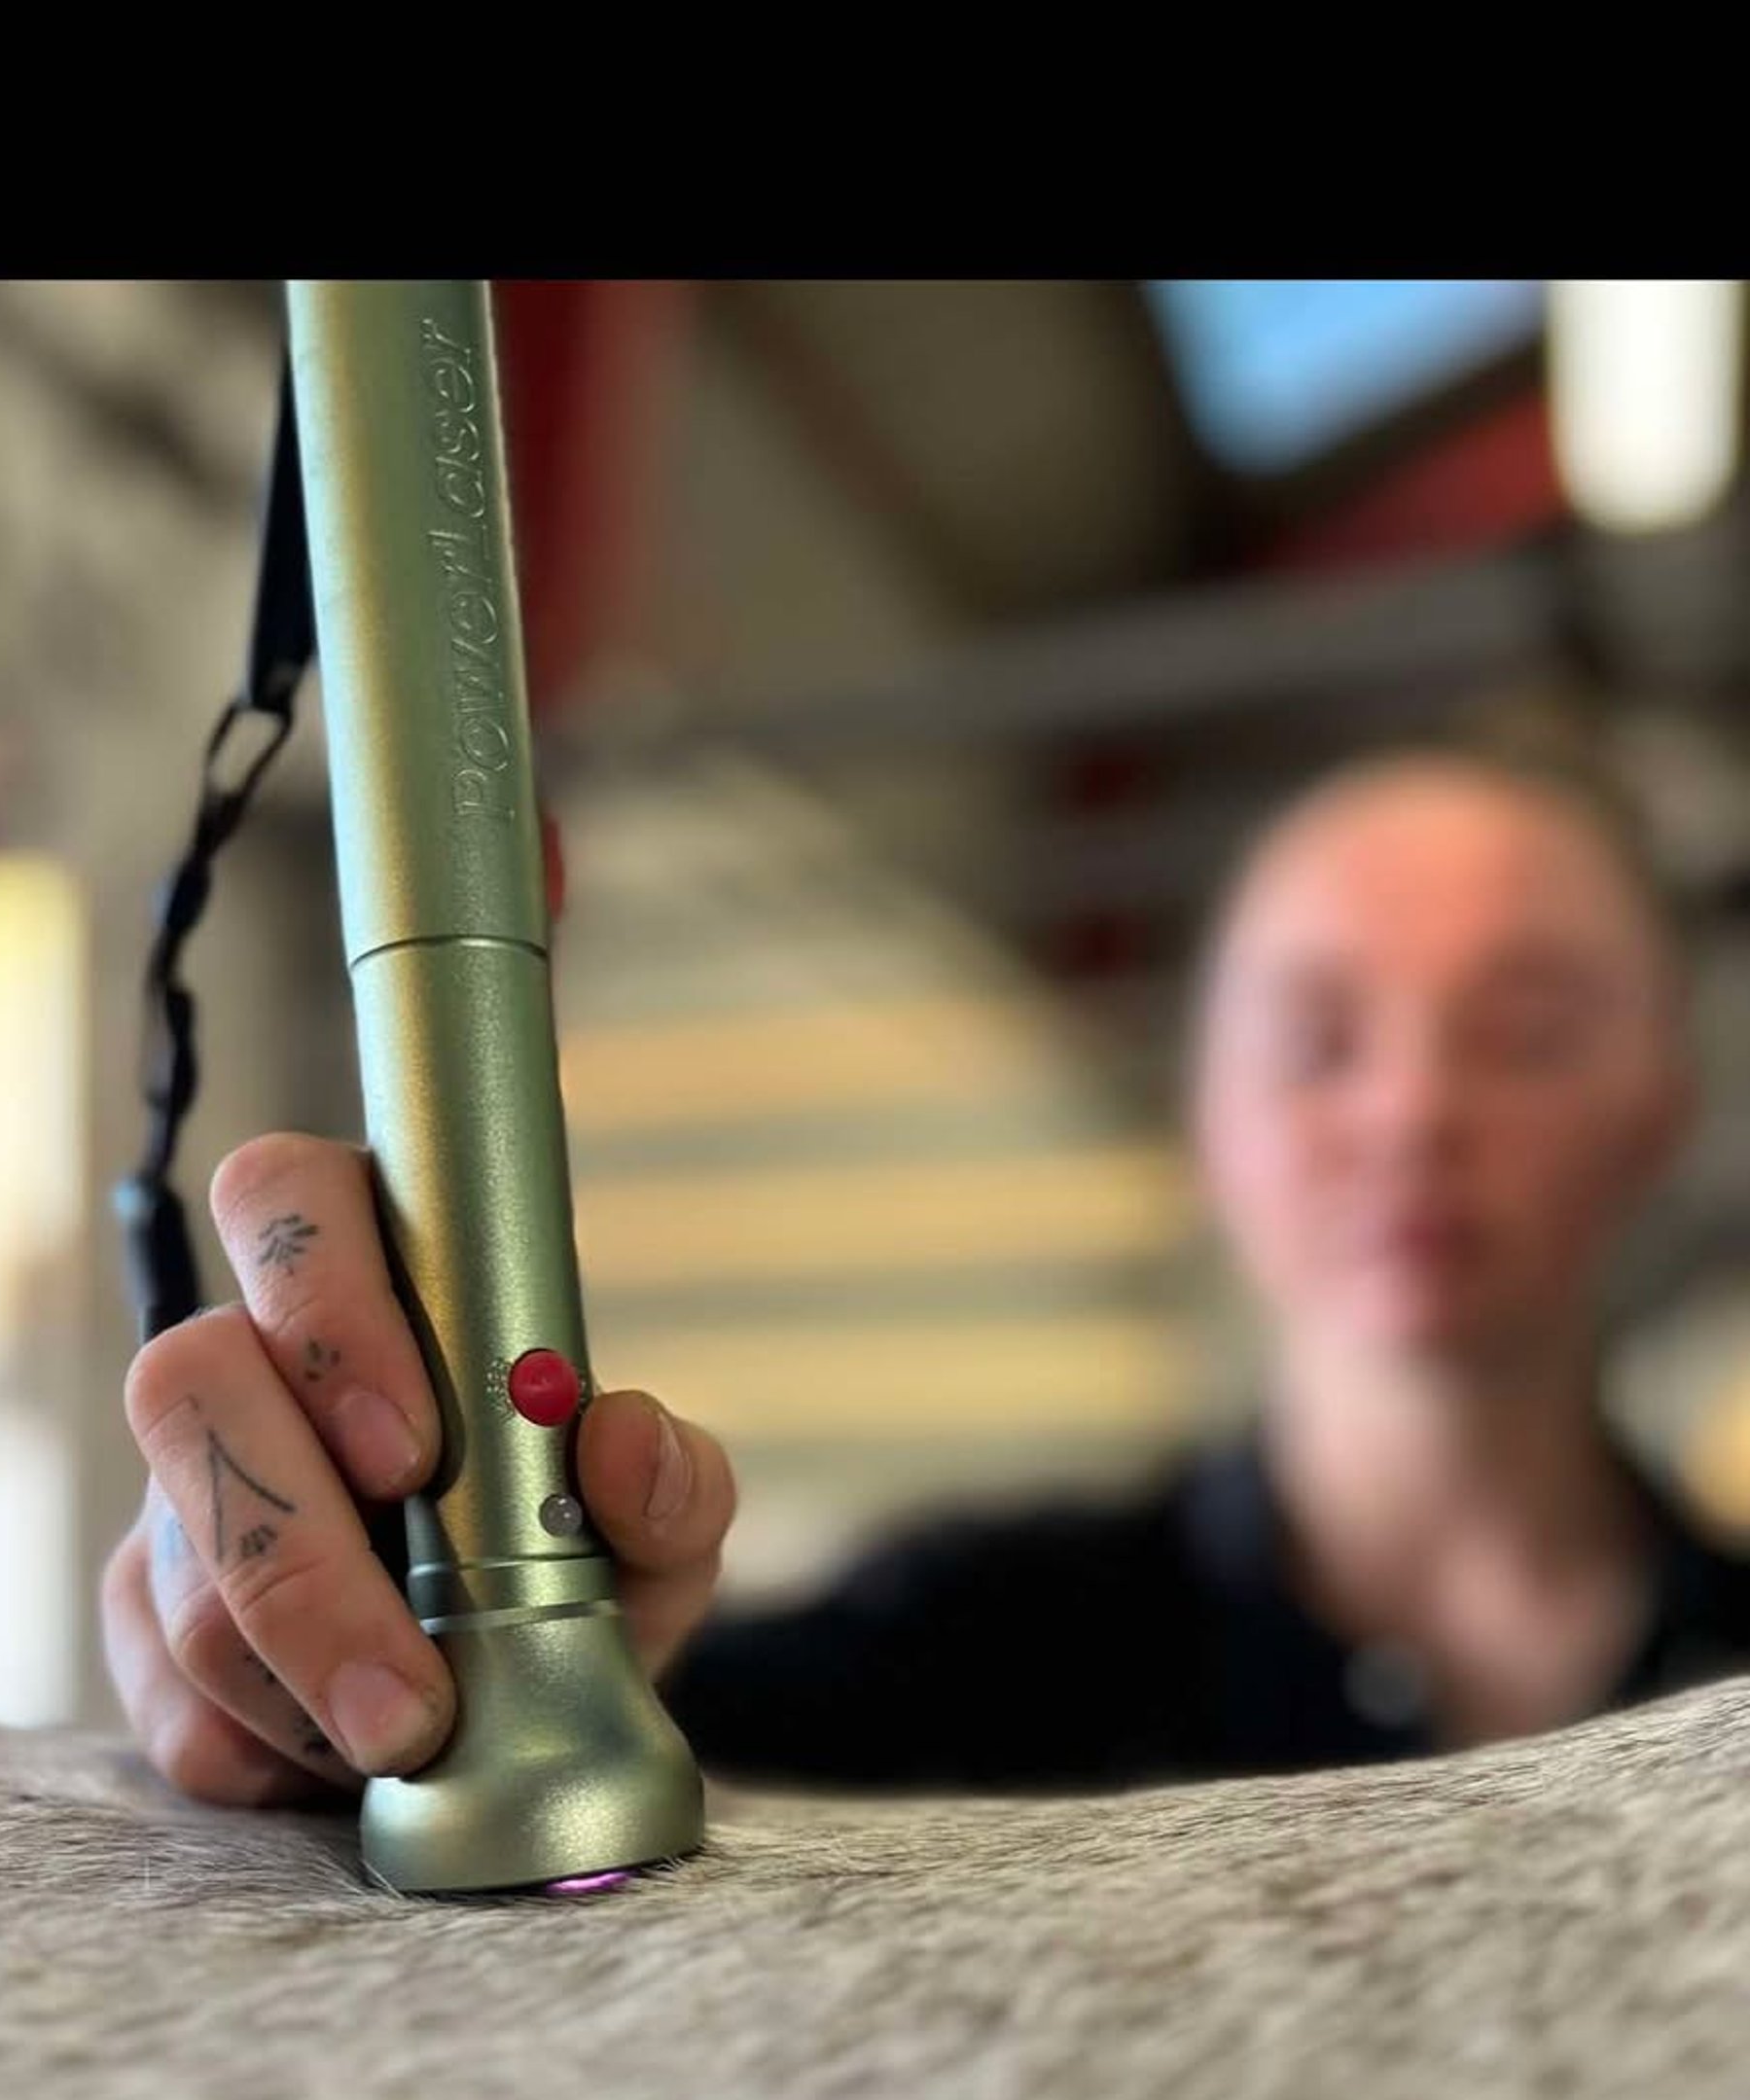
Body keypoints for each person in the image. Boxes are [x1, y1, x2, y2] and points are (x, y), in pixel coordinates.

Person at [102, 740, 1750, 1809]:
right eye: (1319, 1040)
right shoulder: (971, 1648)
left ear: (1663, 1107)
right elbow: (569, 1774)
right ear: (1207, 1119)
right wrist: (374, 1662)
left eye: (1527, 1032)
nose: (1412, 1112)